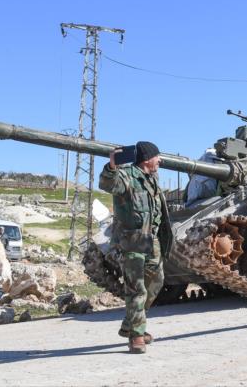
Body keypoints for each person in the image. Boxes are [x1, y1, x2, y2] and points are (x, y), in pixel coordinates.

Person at [99, 141, 172, 354]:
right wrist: (112, 166)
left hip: (152, 240)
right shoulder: (127, 175)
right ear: (147, 158)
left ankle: (130, 323)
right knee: (136, 288)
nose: (160, 160)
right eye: (157, 156)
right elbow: (108, 184)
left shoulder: (152, 179)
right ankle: (136, 335)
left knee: (157, 281)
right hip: (132, 241)